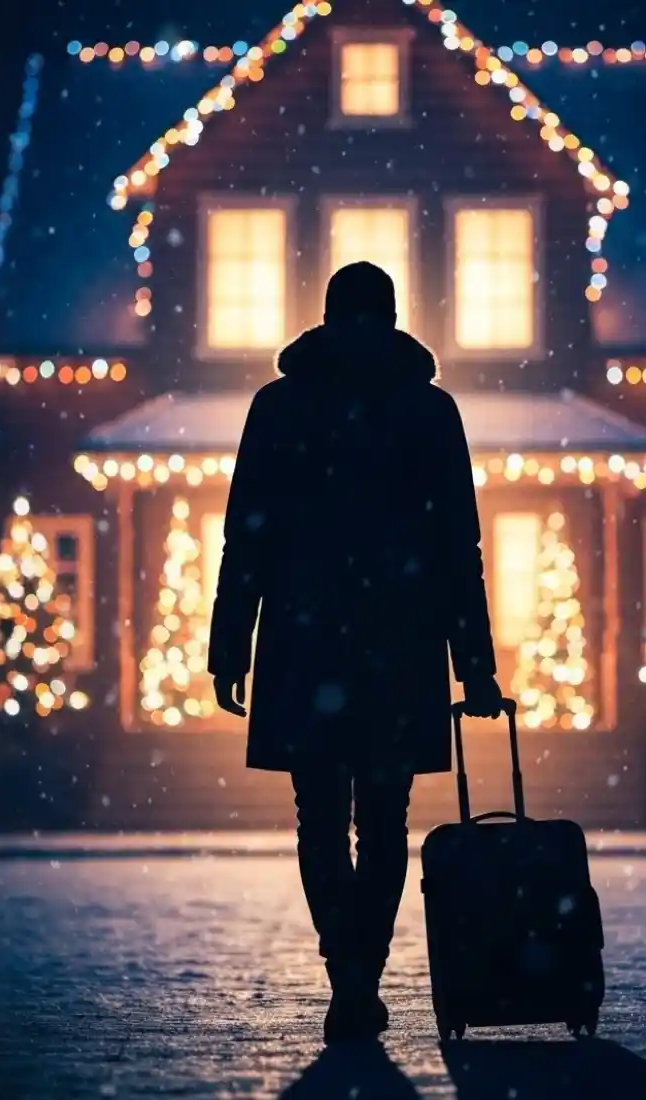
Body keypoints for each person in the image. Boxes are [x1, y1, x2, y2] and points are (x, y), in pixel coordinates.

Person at [208, 261, 505, 1044]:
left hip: (306, 641)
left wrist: (229, 645)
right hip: (399, 643)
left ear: (328, 316)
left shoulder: (278, 406)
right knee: (385, 820)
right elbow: (457, 547)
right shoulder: (430, 410)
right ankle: (362, 971)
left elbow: (248, 536)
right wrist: (473, 663)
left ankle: (345, 969)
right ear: (394, 316)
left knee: (318, 817)